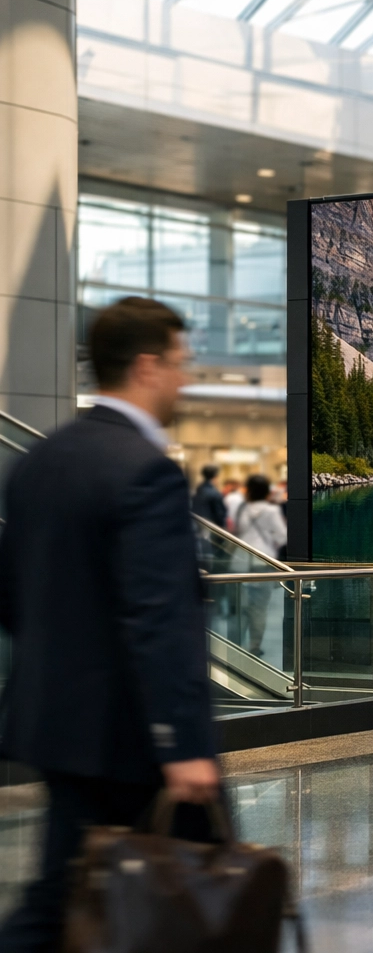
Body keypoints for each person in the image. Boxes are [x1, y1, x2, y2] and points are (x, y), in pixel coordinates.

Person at [0, 297, 220, 952]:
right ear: (147, 366)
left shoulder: (41, 460)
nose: (186, 379)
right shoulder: (145, 472)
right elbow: (159, 617)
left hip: (56, 725)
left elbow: (12, 595)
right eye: (181, 363)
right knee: (203, 901)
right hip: (132, 738)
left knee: (60, 896)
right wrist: (181, 742)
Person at [233, 474, 287, 659]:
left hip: (240, 564)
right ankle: (254, 646)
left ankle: (234, 645)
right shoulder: (271, 511)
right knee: (259, 608)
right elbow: (282, 537)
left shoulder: (243, 509)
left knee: (240, 607)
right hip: (263, 563)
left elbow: (237, 533)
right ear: (266, 492)